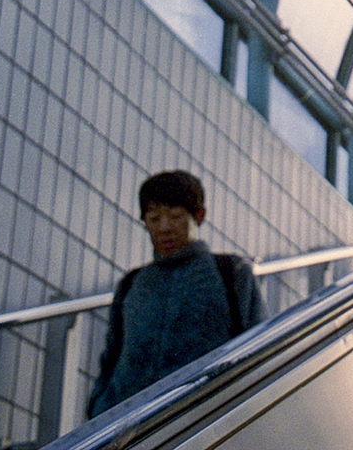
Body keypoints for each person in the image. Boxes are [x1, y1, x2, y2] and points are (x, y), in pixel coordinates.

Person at [86, 170, 265, 418]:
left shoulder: (230, 272)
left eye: (176, 216)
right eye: (154, 218)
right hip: (126, 426)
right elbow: (111, 359)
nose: (164, 228)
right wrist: (98, 407)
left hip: (200, 419)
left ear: (199, 216)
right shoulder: (132, 283)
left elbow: (258, 346)